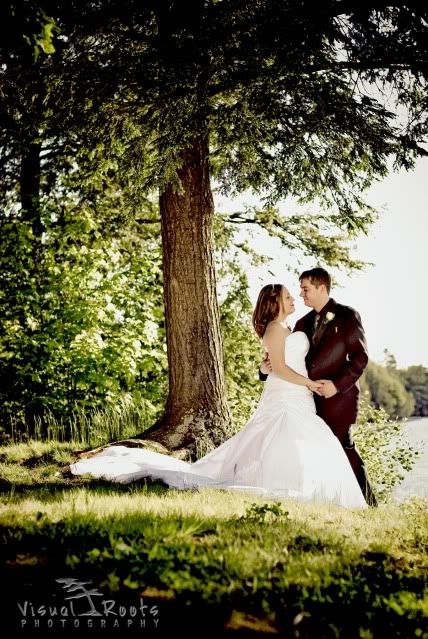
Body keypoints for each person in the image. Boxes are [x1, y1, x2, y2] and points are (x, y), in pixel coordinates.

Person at [70, 283, 367, 509]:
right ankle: (289, 483)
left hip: (295, 395)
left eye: (296, 294)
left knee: (296, 436)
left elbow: (276, 364)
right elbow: (278, 368)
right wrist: (309, 383)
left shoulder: (290, 327)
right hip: (289, 392)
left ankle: (320, 488)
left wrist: (291, 376)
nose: (294, 299)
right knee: (284, 436)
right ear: (276, 302)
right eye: (289, 296)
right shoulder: (277, 330)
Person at [259, 268, 377, 507]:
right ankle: (325, 500)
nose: (301, 295)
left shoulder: (347, 316)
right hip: (305, 399)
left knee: (344, 448)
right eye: (299, 290)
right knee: (315, 452)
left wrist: (336, 385)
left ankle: (368, 504)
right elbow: (286, 358)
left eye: (305, 289)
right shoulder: (302, 323)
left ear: (321, 287)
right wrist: (264, 368)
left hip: (338, 399)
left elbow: (360, 358)